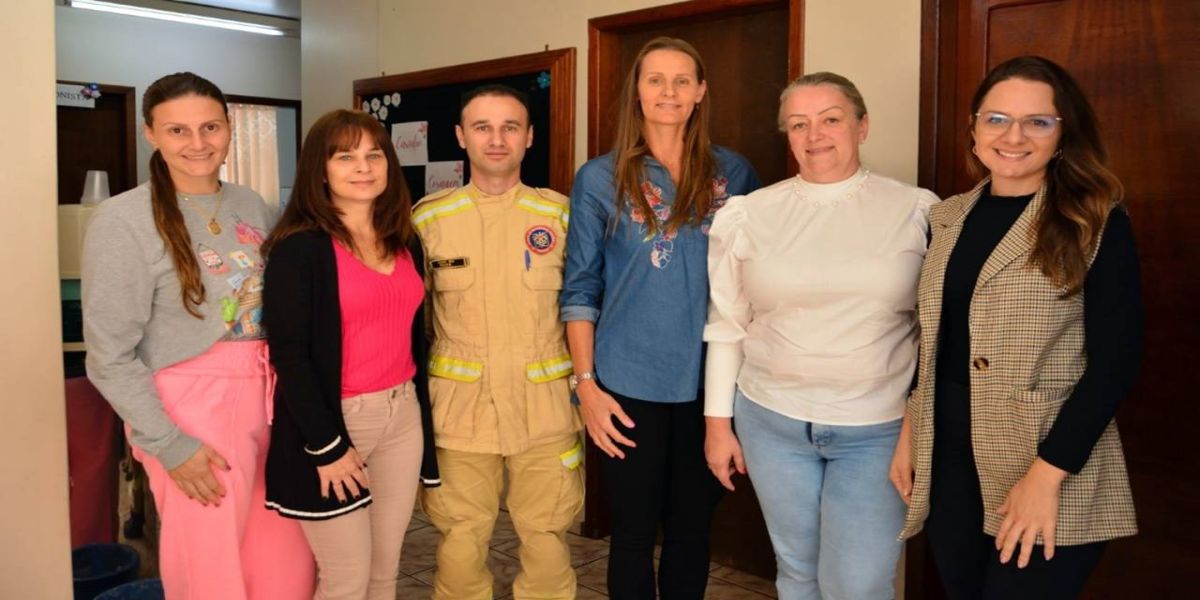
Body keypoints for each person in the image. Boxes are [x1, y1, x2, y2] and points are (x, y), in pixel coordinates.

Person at [891, 55, 1141, 598]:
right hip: (949, 456)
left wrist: (1046, 478)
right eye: (997, 118)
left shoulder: (1095, 220)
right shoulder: (948, 217)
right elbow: (935, 338)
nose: (1014, 136)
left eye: (1038, 121)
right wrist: (912, 431)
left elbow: (1115, 366)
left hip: (1049, 457)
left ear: (1063, 133)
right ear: (975, 130)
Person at [702, 72, 938, 599]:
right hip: (771, 422)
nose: (815, 135)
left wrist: (919, 426)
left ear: (862, 126)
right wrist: (718, 425)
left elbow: (936, 331)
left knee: (858, 583)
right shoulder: (749, 214)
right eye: (799, 124)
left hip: (877, 428)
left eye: (831, 119)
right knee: (797, 571)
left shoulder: (916, 210)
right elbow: (728, 324)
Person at [82, 71, 314, 600]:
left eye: (210, 127)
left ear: (230, 129)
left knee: (287, 568)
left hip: (270, 398)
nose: (198, 143)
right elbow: (109, 356)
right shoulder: (123, 219)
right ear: (151, 134)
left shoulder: (250, 203)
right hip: (193, 412)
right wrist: (169, 442)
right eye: (178, 131)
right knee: (211, 576)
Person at [561, 37, 760, 598]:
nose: (668, 92)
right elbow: (579, 288)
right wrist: (587, 387)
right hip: (625, 383)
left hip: (712, 385)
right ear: (637, 93)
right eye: (655, 80)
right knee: (630, 534)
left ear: (700, 92)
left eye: (681, 81)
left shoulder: (736, 173)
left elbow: (757, 278)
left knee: (692, 530)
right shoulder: (600, 177)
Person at [261, 109, 440, 600]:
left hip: (401, 414)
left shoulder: (404, 240)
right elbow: (290, 356)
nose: (363, 167)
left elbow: (411, 337)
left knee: (384, 573)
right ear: (321, 170)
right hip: (337, 423)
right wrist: (328, 447)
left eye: (373, 155)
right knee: (346, 579)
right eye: (345, 157)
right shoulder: (298, 250)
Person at [414, 84, 583, 600]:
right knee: (461, 541)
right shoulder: (426, 219)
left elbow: (586, 308)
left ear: (529, 137)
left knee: (548, 537)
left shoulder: (561, 216)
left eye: (510, 127)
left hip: (547, 410)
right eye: (483, 127)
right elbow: (409, 321)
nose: (496, 139)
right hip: (460, 414)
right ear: (461, 137)